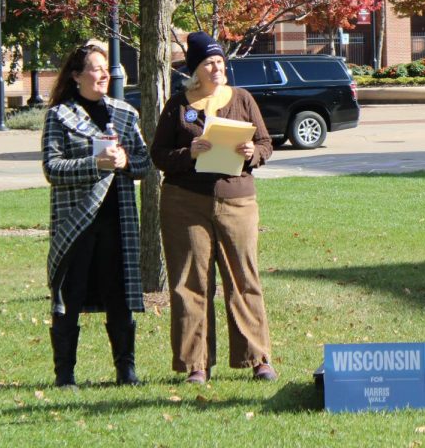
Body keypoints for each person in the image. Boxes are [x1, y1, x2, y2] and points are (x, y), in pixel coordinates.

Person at [150, 32, 277, 383]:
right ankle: (196, 364)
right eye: (209, 62)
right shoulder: (178, 105)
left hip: (237, 200)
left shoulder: (242, 98)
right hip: (185, 203)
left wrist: (255, 153)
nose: (217, 67)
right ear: (196, 70)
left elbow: (265, 142)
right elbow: (158, 155)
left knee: (243, 278)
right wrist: (188, 153)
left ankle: (259, 358)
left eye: (220, 61)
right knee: (189, 284)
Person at [42, 42, 150, 387]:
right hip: (76, 223)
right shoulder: (59, 115)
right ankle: (65, 375)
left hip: (117, 221)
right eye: (95, 68)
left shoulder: (124, 113)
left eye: (105, 68)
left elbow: (146, 164)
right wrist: (95, 164)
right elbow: (52, 168)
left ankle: (126, 372)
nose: (103, 74)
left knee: (119, 296)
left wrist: (126, 162)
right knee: (69, 298)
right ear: (76, 76)